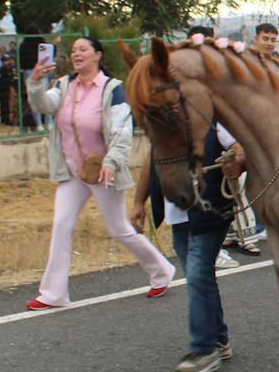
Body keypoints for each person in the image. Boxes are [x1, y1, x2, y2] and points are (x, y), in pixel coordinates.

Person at [24, 35, 175, 309]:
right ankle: (53, 294)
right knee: (61, 226)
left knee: (119, 229)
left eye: (83, 49)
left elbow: (121, 133)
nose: (76, 54)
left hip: (102, 171)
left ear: (97, 55)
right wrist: (35, 81)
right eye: (73, 51)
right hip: (72, 172)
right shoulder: (63, 85)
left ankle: (161, 271)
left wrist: (111, 162)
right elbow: (41, 106)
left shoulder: (113, 89)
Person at [132, 122, 244, 372]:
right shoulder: (162, 120)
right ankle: (219, 340)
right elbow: (151, 160)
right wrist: (139, 202)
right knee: (200, 277)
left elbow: (238, 147)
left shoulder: (212, 117)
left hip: (210, 208)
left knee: (197, 273)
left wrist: (237, 161)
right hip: (179, 213)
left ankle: (204, 349)